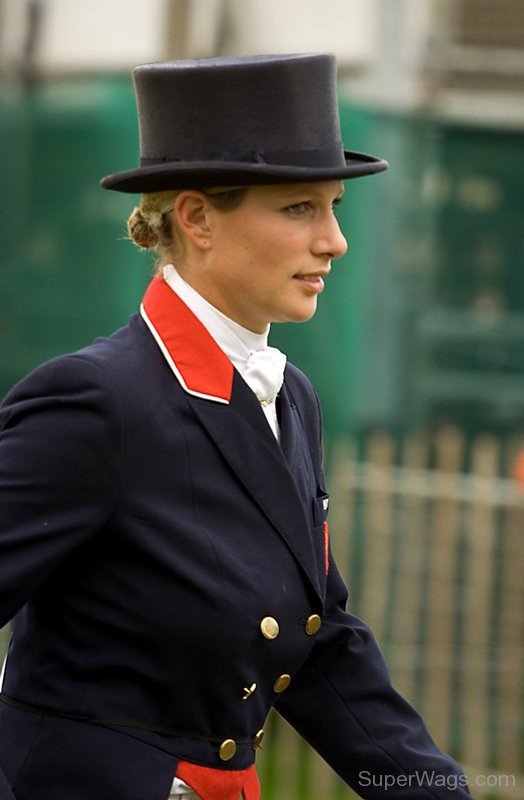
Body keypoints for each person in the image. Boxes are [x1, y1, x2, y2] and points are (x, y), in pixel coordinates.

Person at [0, 54, 471, 800]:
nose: (333, 241)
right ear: (195, 219)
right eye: (298, 210)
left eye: (334, 207)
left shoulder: (291, 398)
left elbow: (318, 643)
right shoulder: (95, 400)